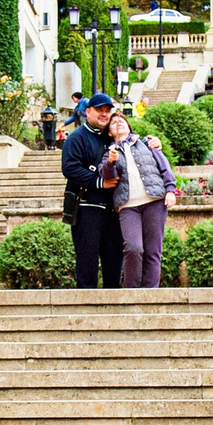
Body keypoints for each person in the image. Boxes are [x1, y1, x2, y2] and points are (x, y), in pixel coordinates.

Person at [106, 111, 179, 288]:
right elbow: (108, 176)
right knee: (133, 248)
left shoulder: (146, 143)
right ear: (109, 132)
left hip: (154, 202)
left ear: (128, 126)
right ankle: (132, 291)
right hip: (128, 206)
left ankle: (150, 292)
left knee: (153, 250)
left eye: (121, 120)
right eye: (113, 122)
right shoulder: (109, 152)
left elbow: (164, 167)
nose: (118, 123)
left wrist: (170, 190)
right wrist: (110, 162)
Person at [60, 91, 124, 288]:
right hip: (87, 208)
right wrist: (99, 182)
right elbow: (69, 168)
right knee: (87, 264)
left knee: (114, 264)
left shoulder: (114, 138)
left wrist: (154, 143)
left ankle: (113, 313)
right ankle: (85, 314)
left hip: (114, 211)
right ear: (87, 112)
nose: (104, 114)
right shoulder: (77, 138)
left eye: (107, 111)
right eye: (99, 110)